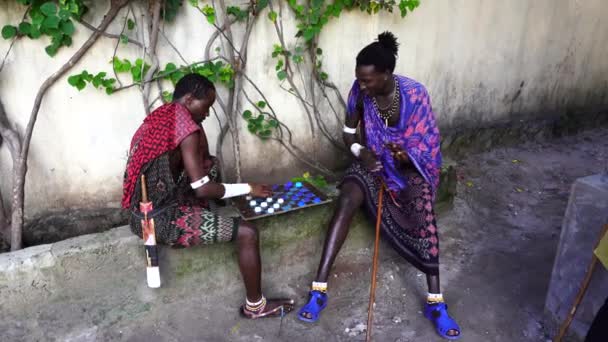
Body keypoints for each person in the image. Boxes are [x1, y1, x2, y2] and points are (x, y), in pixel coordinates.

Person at [297, 32, 461, 339]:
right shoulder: (359, 95)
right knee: (347, 198)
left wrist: (406, 156)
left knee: (424, 210)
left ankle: (435, 303)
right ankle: (319, 289)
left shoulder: (415, 95)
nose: (362, 86)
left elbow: (429, 144)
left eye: (368, 80)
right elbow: (349, 134)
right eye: (359, 79)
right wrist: (362, 152)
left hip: (411, 169)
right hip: (373, 162)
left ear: (387, 74)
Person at [122, 73, 294, 318]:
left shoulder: (162, 117)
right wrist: (248, 188)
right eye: (207, 106)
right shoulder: (186, 129)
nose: (208, 113)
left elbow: (196, 168)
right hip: (159, 222)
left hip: (139, 213)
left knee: (208, 165)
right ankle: (255, 306)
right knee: (247, 232)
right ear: (190, 99)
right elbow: (202, 188)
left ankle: (199, 218)